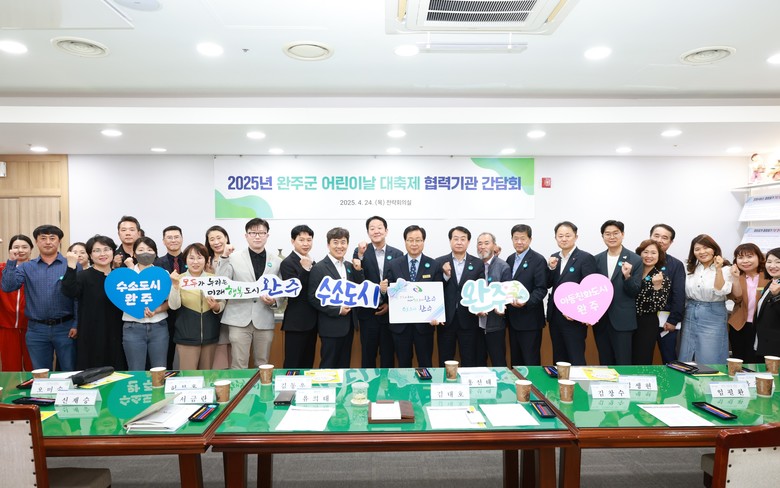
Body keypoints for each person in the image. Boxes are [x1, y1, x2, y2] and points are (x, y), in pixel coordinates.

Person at [1, 225, 77, 371]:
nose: (48, 242)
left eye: (52, 238)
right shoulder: (27, 267)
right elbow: (8, 287)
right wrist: (11, 262)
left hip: (66, 328)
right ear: (36, 242)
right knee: (40, 374)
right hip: (37, 330)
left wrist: (76, 323)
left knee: (69, 371)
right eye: (43, 238)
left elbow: (77, 297)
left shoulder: (71, 265)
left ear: (59, 241)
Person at [216, 218, 282, 369]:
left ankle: (262, 386)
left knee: (263, 363)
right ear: (246, 236)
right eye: (253, 233)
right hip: (238, 318)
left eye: (261, 233)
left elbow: (280, 288)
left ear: (267, 235)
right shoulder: (232, 257)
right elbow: (221, 282)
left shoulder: (277, 261)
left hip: (264, 317)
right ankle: (239, 386)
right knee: (239, 364)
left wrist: (274, 301)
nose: (257, 236)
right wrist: (224, 257)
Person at [61, 235, 127, 370]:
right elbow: (68, 291)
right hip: (91, 333)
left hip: (118, 333)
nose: (102, 254)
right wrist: (71, 267)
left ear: (113, 252)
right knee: (93, 372)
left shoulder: (120, 276)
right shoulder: (83, 276)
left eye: (106, 249)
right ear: (90, 255)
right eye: (97, 251)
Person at [381, 225, 442, 368]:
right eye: (410, 240)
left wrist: (438, 315)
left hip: (425, 326)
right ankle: (404, 384)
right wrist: (383, 291)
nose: (414, 244)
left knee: (425, 364)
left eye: (418, 240)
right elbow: (389, 294)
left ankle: (425, 384)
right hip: (400, 327)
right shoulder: (393, 265)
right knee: (403, 365)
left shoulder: (434, 265)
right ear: (405, 241)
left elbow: (438, 294)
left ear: (423, 242)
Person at [352, 216, 403, 368]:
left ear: (386, 231)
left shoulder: (397, 254)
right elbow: (358, 281)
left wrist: (389, 304)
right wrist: (360, 256)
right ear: (368, 232)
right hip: (368, 314)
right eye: (372, 228)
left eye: (379, 228)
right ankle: (368, 384)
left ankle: (388, 385)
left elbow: (401, 284)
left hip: (389, 315)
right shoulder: (360, 252)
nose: (376, 231)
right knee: (368, 356)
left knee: (388, 356)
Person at [308, 227, 364, 368]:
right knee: (329, 366)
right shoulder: (319, 268)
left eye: (343, 242)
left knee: (344, 367)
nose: (340, 246)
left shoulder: (350, 266)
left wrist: (358, 271)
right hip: (330, 326)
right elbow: (313, 297)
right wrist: (337, 310)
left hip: (349, 326)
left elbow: (359, 290)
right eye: (335, 242)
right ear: (328, 245)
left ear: (347, 244)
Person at [546, 221, 597, 365]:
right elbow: (548, 284)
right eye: (560, 236)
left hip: (574, 318)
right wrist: (550, 268)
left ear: (576, 237)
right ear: (556, 238)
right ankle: (561, 380)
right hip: (555, 316)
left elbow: (590, 289)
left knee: (576, 358)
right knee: (559, 358)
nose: (564, 239)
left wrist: (578, 312)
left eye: (568, 235)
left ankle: (578, 381)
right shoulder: (554, 257)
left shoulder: (585, 258)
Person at [593, 220, 643, 365]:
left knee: (623, 361)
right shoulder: (596, 259)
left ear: (623, 234)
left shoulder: (635, 259)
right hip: (601, 320)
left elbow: (635, 291)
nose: (612, 237)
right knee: (604, 361)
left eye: (615, 233)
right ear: (603, 236)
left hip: (623, 320)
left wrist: (627, 276)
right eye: (607, 234)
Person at [168, 243, 224, 370]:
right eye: (191, 258)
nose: (195, 262)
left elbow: (223, 302)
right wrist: (175, 286)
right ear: (186, 260)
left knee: (207, 375)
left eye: (199, 258)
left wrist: (216, 306)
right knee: (188, 376)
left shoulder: (214, 279)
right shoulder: (179, 279)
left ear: (206, 260)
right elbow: (174, 306)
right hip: (186, 337)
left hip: (210, 336)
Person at [678, 234, 732, 364]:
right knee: (687, 354)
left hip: (713, 313)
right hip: (690, 311)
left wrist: (718, 269)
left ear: (714, 249)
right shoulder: (692, 269)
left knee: (710, 355)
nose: (702, 252)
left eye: (706, 247)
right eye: (697, 249)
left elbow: (720, 290)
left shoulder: (726, 269)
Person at [436, 226, 483, 367]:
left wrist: (480, 307)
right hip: (446, 320)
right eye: (455, 239)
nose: (459, 242)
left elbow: (480, 289)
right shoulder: (439, 262)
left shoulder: (478, 263)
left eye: (463, 239)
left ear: (468, 242)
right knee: (445, 359)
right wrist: (445, 276)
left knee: (469, 359)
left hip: (469, 319)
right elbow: (435, 289)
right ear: (450, 241)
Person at [122, 236, 170, 370]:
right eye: (141, 250)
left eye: (149, 250)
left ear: (155, 253)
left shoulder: (163, 274)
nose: (145, 253)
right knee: (135, 369)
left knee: (159, 369)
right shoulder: (125, 275)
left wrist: (156, 310)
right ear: (134, 254)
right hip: (132, 327)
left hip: (159, 326)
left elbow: (170, 302)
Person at [504, 225, 549, 366]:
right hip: (512, 319)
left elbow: (541, 289)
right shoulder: (510, 259)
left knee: (530, 361)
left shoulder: (538, 260)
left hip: (530, 321)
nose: (519, 242)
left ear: (530, 239)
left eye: (523, 238)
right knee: (516, 362)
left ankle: (532, 382)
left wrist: (526, 302)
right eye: (516, 238)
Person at [280, 225, 319, 369]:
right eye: (301, 240)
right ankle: (288, 385)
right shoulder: (287, 263)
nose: (306, 243)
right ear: (293, 241)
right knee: (293, 364)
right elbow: (294, 290)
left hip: (313, 322)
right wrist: (304, 269)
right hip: (296, 323)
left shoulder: (313, 262)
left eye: (309, 240)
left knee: (307, 364)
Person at [649, 224, 686, 363]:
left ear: (671, 242)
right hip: (643, 321)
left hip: (666, 322)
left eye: (665, 238)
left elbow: (679, 294)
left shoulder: (676, 264)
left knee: (669, 358)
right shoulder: (639, 260)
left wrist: (673, 320)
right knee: (642, 357)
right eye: (656, 236)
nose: (660, 240)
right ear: (650, 237)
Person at [631, 239, 671, 365]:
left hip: (646, 323)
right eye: (645, 252)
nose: (649, 256)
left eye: (653, 253)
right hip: (627, 320)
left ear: (659, 256)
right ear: (639, 254)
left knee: (641, 358)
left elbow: (659, 305)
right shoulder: (632, 273)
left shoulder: (661, 277)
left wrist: (657, 286)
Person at [727, 243, 768, 363]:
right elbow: (737, 298)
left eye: (749, 256)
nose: (745, 261)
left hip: (761, 327)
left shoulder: (768, 276)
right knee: (739, 361)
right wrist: (735, 278)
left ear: (759, 257)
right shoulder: (736, 276)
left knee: (757, 361)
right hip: (739, 325)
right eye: (740, 257)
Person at [475, 232, 511, 367]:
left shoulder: (503, 266)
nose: (482, 247)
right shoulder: (474, 265)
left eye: (486, 243)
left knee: (498, 362)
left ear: (494, 246)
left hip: (495, 324)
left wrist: (500, 306)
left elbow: (507, 294)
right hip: (475, 325)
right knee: (478, 363)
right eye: (479, 244)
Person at [154, 225, 186, 369]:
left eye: (176, 237)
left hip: (187, 312)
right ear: (163, 241)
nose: (173, 240)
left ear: (182, 239)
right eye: (169, 237)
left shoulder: (192, 259)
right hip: (166, 315)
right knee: (167, 353)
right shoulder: (157, 263)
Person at [0, 235, 33, 371]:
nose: (20, 250)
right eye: (16, 247)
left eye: (25, 247)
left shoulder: (36, 268)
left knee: (33, 366)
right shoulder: (2, 269)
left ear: (31, 249)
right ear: (10, 250)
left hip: (32, 327)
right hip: (7, 326)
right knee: (10, 367)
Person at [203, 225, 231, 368]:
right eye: (212, 239)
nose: (216, 242)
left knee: (232, 350)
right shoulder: (204, 260)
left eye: (219, 238)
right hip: (210, 311)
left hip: (232, 310)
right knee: (215, 353)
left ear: (226, 238)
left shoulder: (236, 257)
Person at [755, 247, 780, 358]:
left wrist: (776, 296)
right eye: (769, 262)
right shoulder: (771, 283)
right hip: (766, 343)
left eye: (778, 262)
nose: (772, 266)